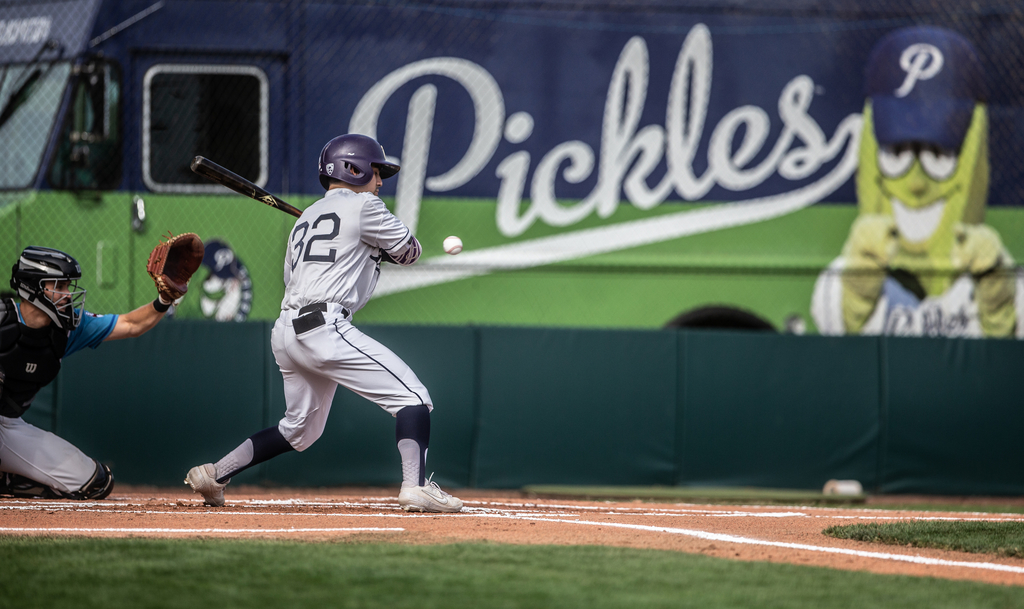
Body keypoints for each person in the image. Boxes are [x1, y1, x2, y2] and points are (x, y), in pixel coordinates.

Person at [185, 134, 463, 513]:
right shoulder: (366, 205)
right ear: (354, 168)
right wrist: (378, 248)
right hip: (324, 326)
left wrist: (365, 248)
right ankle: (415, 487)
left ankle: (214, 474)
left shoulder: (304, 223)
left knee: (299, 430)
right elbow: (409, 252)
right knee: (413, 399)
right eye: (376, 171)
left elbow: (294, 277)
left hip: (285, 331)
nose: (380, 182)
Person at [0, 246, 182, 499]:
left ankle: (7, 479)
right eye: (59, 286)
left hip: (7, 426)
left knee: (93, 482)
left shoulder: (66, 329)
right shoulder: (2, 319)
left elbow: (130, 325)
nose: (67, 294)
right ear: (33, 287)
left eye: (68, 286)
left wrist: (164, 300)